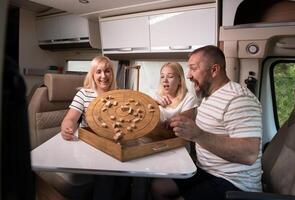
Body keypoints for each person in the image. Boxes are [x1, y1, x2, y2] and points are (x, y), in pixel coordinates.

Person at [151, 45, 263, 200]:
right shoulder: (208, 96)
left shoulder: (239, 99)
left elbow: (249, 154)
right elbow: (201, 118)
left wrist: (198, 135)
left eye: (193, 69)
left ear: (214, 70)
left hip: (234, 182)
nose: (188, 75)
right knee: (158, 186)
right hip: (206, 171)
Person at [61, 55, 132, 200]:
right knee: (107, 176)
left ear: (112, 73)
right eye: (98, 72)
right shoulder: (84, 94)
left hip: (113, 146)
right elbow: (70, 119)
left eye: (107, 71)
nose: (103, 76)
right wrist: (67, 128)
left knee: (130, 175)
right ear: (92, 75)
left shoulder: (119, 95)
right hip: (89, 148)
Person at [152, 62, 198, 130]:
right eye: (162, 76)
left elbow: (183, 120)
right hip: (151, 137)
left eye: (170, 76)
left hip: (175, 139)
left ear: (179, 80)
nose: (165, 80)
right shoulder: (155, 95)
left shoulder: (189, 98)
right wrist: (154, 103)